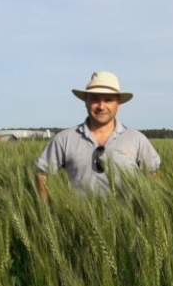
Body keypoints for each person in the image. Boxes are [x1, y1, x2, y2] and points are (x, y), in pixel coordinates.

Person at [35, 71, 161, 201]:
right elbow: (42, 173)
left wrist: (147, 211)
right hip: (76, 219)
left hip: (128, 220)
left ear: (118, 104)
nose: (101, 106)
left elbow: (152, 176)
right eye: (95, 99)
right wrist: (46, 211)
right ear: (86, 102)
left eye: (108, 100)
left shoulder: (136, 139)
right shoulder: (64, 139)